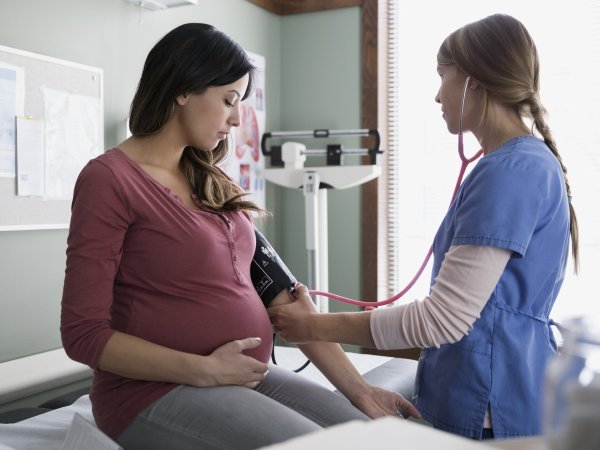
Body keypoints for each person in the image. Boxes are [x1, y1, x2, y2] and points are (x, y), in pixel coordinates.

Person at [60, 23, 419, 450]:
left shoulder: (212, 182)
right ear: (183, 89)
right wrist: (204, 370)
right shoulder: (110, 180)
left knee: (380, 438)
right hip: (151, 392)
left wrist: (359, 390)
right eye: (229, 100)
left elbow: (283, 297)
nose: (236, 118)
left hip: (244, 376)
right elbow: (82, 334)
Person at [268, 14, 579, 441]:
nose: (437, 95)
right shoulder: (522, 164)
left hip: (489, 401)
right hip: (501, 389)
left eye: (442, 76)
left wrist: (312, 326)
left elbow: (442, 320)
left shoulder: (511, 171)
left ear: (473, 81)